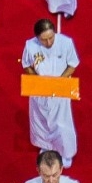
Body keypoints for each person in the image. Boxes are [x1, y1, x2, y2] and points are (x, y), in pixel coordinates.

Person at [22, 19, 81, 166]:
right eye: (44, 40)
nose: (48, 43)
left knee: (62, 123)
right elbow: (26, 65)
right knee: (40, 121)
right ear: (37, 38)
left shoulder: (66, 43)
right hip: (40, 90)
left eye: (51, 38)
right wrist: (39, 81)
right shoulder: (30, 46)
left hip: (60, 88)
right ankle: (46, 146)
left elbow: (73, 64)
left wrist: (59, 81)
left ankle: (66, 153)